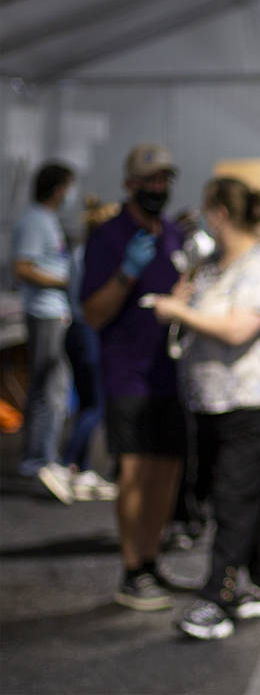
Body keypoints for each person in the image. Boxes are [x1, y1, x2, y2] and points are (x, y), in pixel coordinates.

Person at [152, 176, 260, 640]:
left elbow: (240, 330)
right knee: (248, 488)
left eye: (206, 208)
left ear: (220, 212)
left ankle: (216, 599)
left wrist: (176, 312)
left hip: (256, 400)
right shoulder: (216, 265)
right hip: (215, 399)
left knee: (232, 494)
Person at [82, 143, 187, 610]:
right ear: (129, 185)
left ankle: (150, 560)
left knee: (167, 469)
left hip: (170, 370)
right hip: (127, 371)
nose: (158, 189)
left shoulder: (172, 236)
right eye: (149, 181)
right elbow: (94, 314)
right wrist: (126, 274)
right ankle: (130, 570)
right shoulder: (108, 237)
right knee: (135, 469)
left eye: (164, 180)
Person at [12, 161, 77, 503]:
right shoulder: (36, 220)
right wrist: (66, 281)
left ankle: (37, 456)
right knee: (50, 386)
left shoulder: (46, 220)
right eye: (69, 186)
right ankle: (40, 459)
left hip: (54, 313)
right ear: (58, 188)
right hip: (44, 314)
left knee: (50, 385)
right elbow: (23, 266)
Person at [59, 196, 120, 501]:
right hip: (88, 332)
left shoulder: (80, 252)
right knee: (95, 404)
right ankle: (65, 463)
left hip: (76, 331)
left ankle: (82, 469)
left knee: (86, 403)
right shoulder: (95, 257)